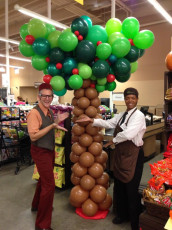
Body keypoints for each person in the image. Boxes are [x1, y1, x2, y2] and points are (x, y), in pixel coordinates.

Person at [76, 87, 146, 230]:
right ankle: (122, 215)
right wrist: (92, 120)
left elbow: (128, 134)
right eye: (127, 98)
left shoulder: (138, 116)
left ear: (137, 99)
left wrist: (114, 140)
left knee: (132, 190)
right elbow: (109, 123)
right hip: (121, 156)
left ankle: (134, 222)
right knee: (120, 187)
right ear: (125, 100)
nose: (130, 100)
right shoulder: (122, 115)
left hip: (133, 156)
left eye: (133, 98)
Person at [27, 83, 69, 230]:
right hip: (40, 151)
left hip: (49, 150)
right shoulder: (34, 113)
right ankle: (42, 224)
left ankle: (36, 205)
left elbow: (49, 126)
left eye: (49, 96)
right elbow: (33, 136)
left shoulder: (49, 111)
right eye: (44, 95)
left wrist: (56, 123)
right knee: (49, 185)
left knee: (44, 180)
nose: (47, 98)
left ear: (52, 97)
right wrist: (52, 126)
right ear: (38, 96)